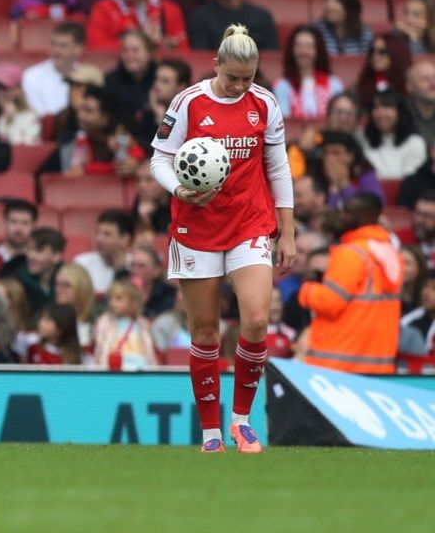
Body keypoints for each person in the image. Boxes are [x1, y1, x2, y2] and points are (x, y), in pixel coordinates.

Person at [151, 25, 296, 452]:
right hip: (197, 227)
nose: (239, 86)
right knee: (206, 332)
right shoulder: (189, 103)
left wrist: (286, 230)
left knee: (255, 319)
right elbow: (159, 158)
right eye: (232, 77)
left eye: (248, 78)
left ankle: (242, 420)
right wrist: (179, 190)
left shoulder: (264, 104)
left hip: (250, 222)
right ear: (216, 64)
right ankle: (211, 432)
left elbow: (278, 167)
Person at [298, 194, 402, 375]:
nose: (341, 216)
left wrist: (307, 290)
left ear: (362, 216)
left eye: (347, 212)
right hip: (379, 365)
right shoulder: (390, 252)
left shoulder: (350, 253)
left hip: (338, 363)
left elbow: (329, 303)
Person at [276, 25, 345, 123]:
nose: (303, 51)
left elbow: (338, 120)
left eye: (309, 46)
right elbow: (285, 122)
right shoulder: (283, 85)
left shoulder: (334, 84)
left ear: (318, 51)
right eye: (298, 46)